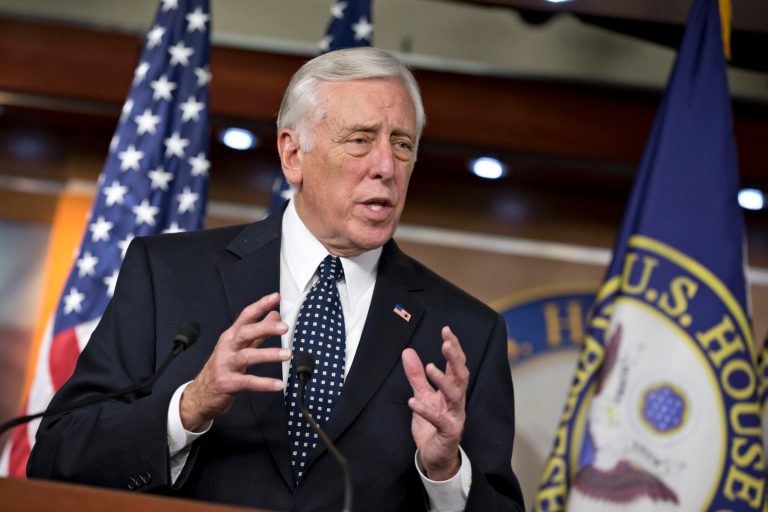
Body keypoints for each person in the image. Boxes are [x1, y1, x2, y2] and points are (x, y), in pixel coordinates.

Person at [28, 47, 524, 512]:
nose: (385, 167)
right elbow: (55, 456)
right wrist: (189, 407)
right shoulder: (169, 274)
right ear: (292, 155)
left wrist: (445, 472)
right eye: (360, 140)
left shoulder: (467, 331)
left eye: (402, 145)